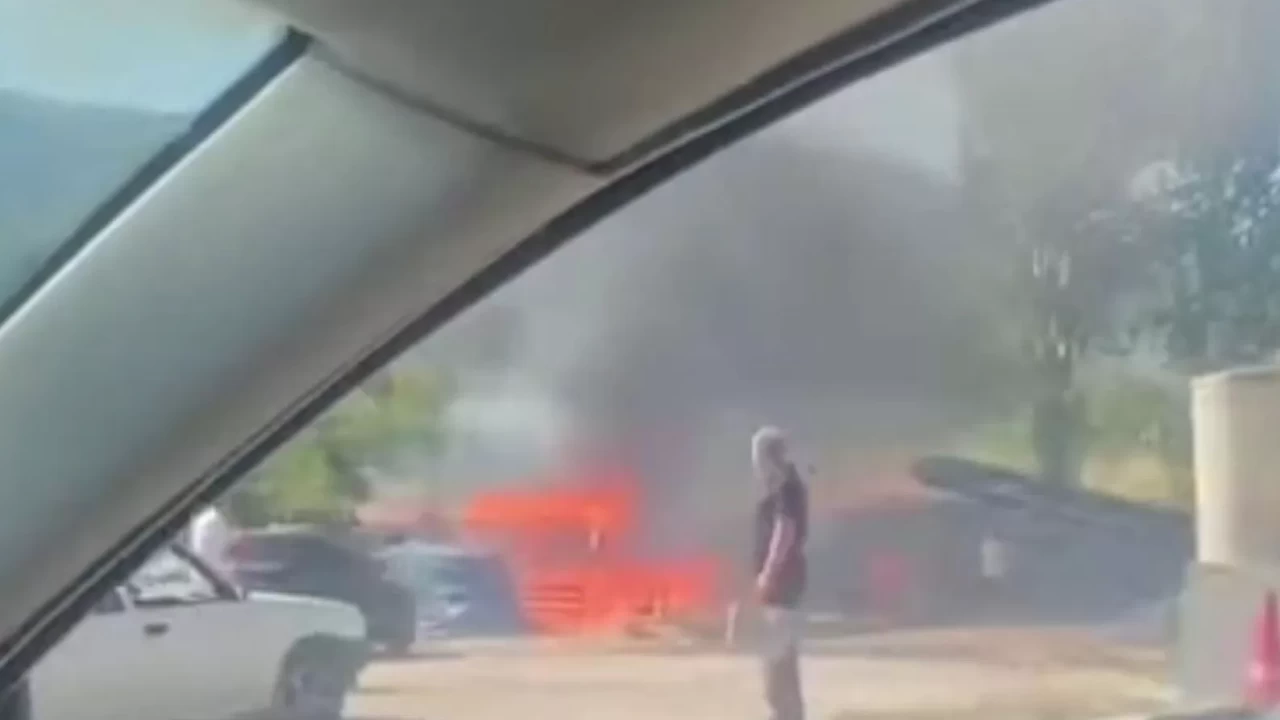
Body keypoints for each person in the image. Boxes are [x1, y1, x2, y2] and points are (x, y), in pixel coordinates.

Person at [750, 426, 809, 720]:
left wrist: (768, 574)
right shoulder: (784, 488)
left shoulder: (787, 490)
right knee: (780, 666)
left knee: (777, 669)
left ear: (767, 457)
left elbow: (785, 531)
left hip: (782, 588)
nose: (756, 467)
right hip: (782, 587)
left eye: (757, 459)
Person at [187, 503, 234, 576]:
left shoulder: (203, 519)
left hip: (202, 570)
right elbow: (227, 543)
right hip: (214, 571)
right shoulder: (214, 520)